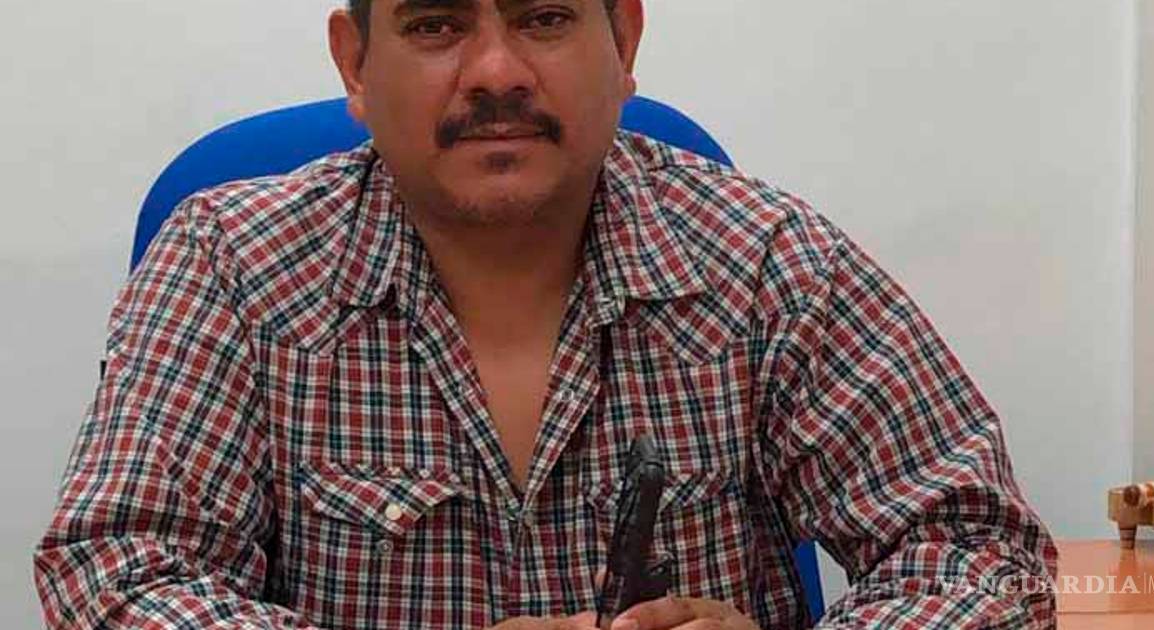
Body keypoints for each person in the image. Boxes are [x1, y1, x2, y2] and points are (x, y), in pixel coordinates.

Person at [33, 0, 1057, 628]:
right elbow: (116, 571)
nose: (496, 72)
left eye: (545, 17)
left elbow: (978, 553)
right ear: (355, 63)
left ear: (625, 37)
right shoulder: (229, 262)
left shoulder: (765, 261)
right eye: (436, 24)